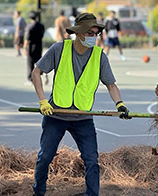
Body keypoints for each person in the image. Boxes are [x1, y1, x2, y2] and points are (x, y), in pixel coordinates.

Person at [31, 13, 131, 196]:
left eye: (96, 33)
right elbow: (36, 72)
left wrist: (120, 104)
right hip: (56, 115)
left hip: (83, 118)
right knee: (44, 157)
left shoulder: (100, 56)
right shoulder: (59, 49)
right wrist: (43, 101)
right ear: (79, 33)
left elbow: (111, 84)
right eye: (90, 33)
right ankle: (38, 192)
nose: (94, 36)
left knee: (92, 160)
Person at [23, 11, 44, 86]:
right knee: (38, 62)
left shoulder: (30, 26)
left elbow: (27, 38)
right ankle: (40, 77)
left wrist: (25, 48)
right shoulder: (41, 26)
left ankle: (30, 79)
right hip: (39, 45)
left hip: (31, 46)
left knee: (30, 63)